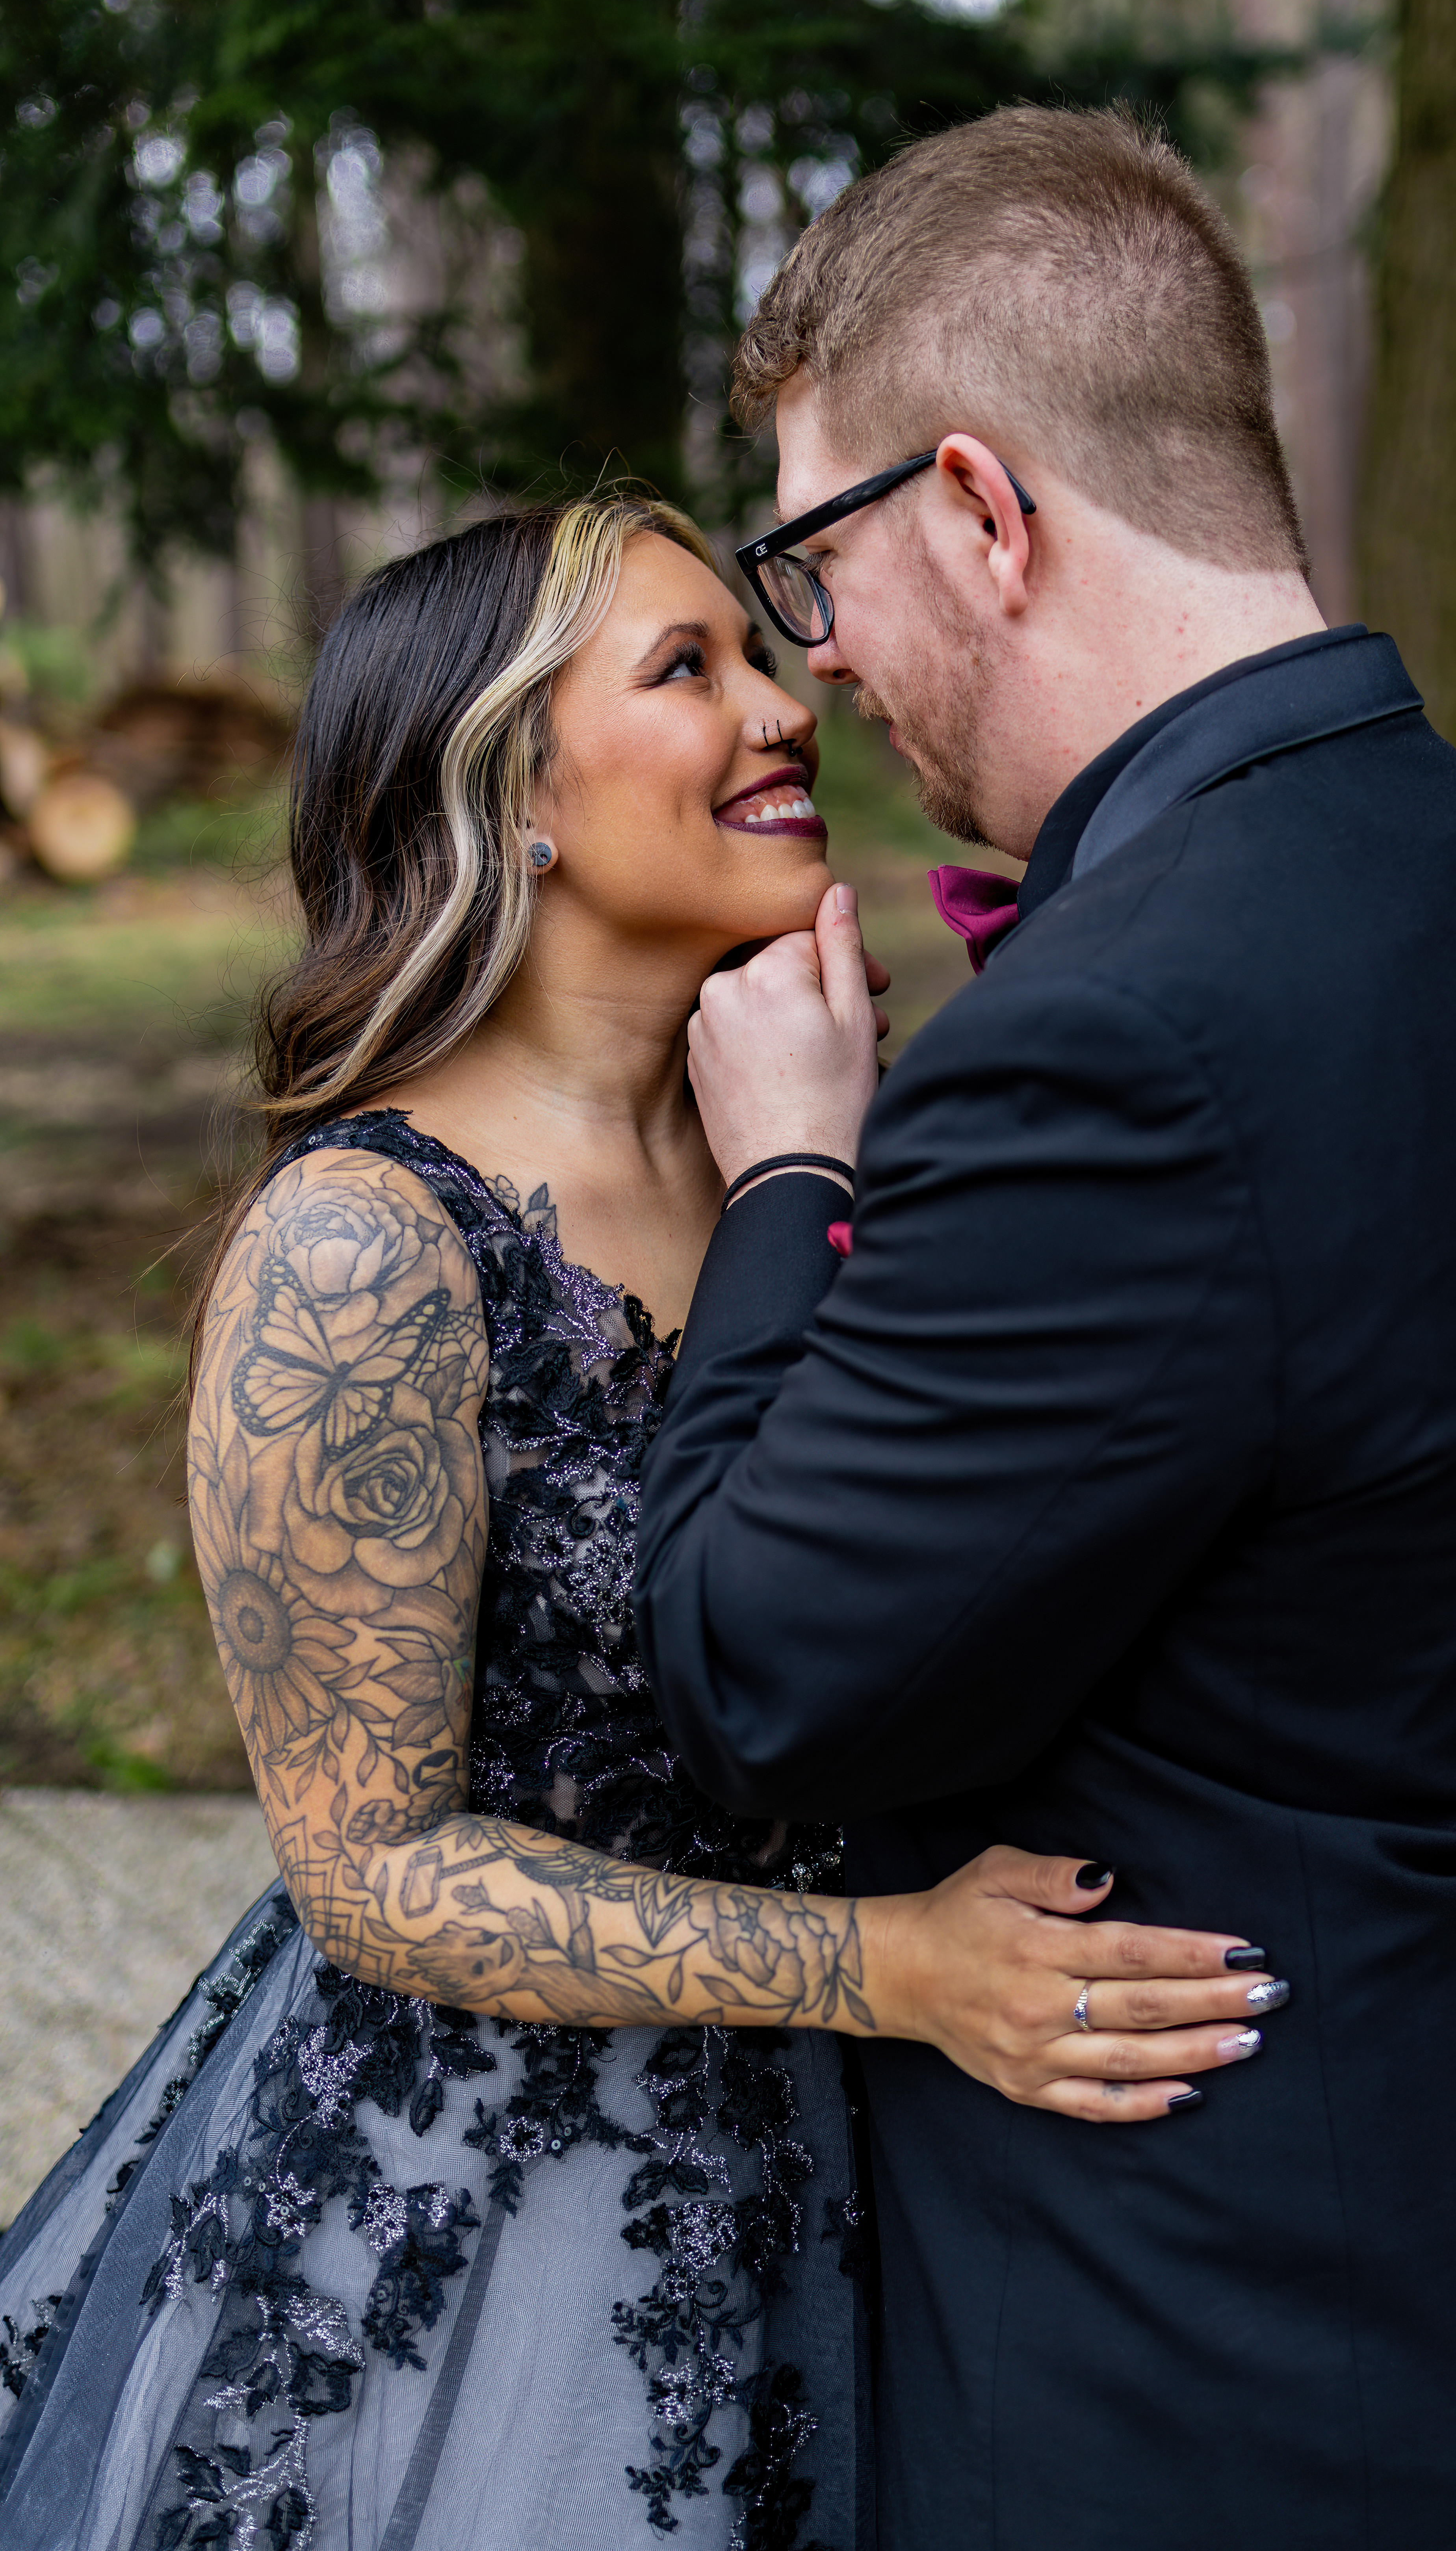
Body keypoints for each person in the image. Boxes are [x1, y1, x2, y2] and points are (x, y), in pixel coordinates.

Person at [0, 493, 1283, 2551]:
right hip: (478, 2241)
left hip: (845, 2177)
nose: (784, 710)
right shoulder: (364, 1249)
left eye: (758, 657)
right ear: (509, 794)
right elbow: (373, 1875)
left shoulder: (815, 1161)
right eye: (690, 671)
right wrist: (892, 1968)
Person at [633, 106, 1456, 2551]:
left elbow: (762, 1678)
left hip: (1203, 2375)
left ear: (983, 512)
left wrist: (790, 1169)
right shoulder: (1438, 849)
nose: (827, 659)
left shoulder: (1123, 1027)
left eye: (818, 563)